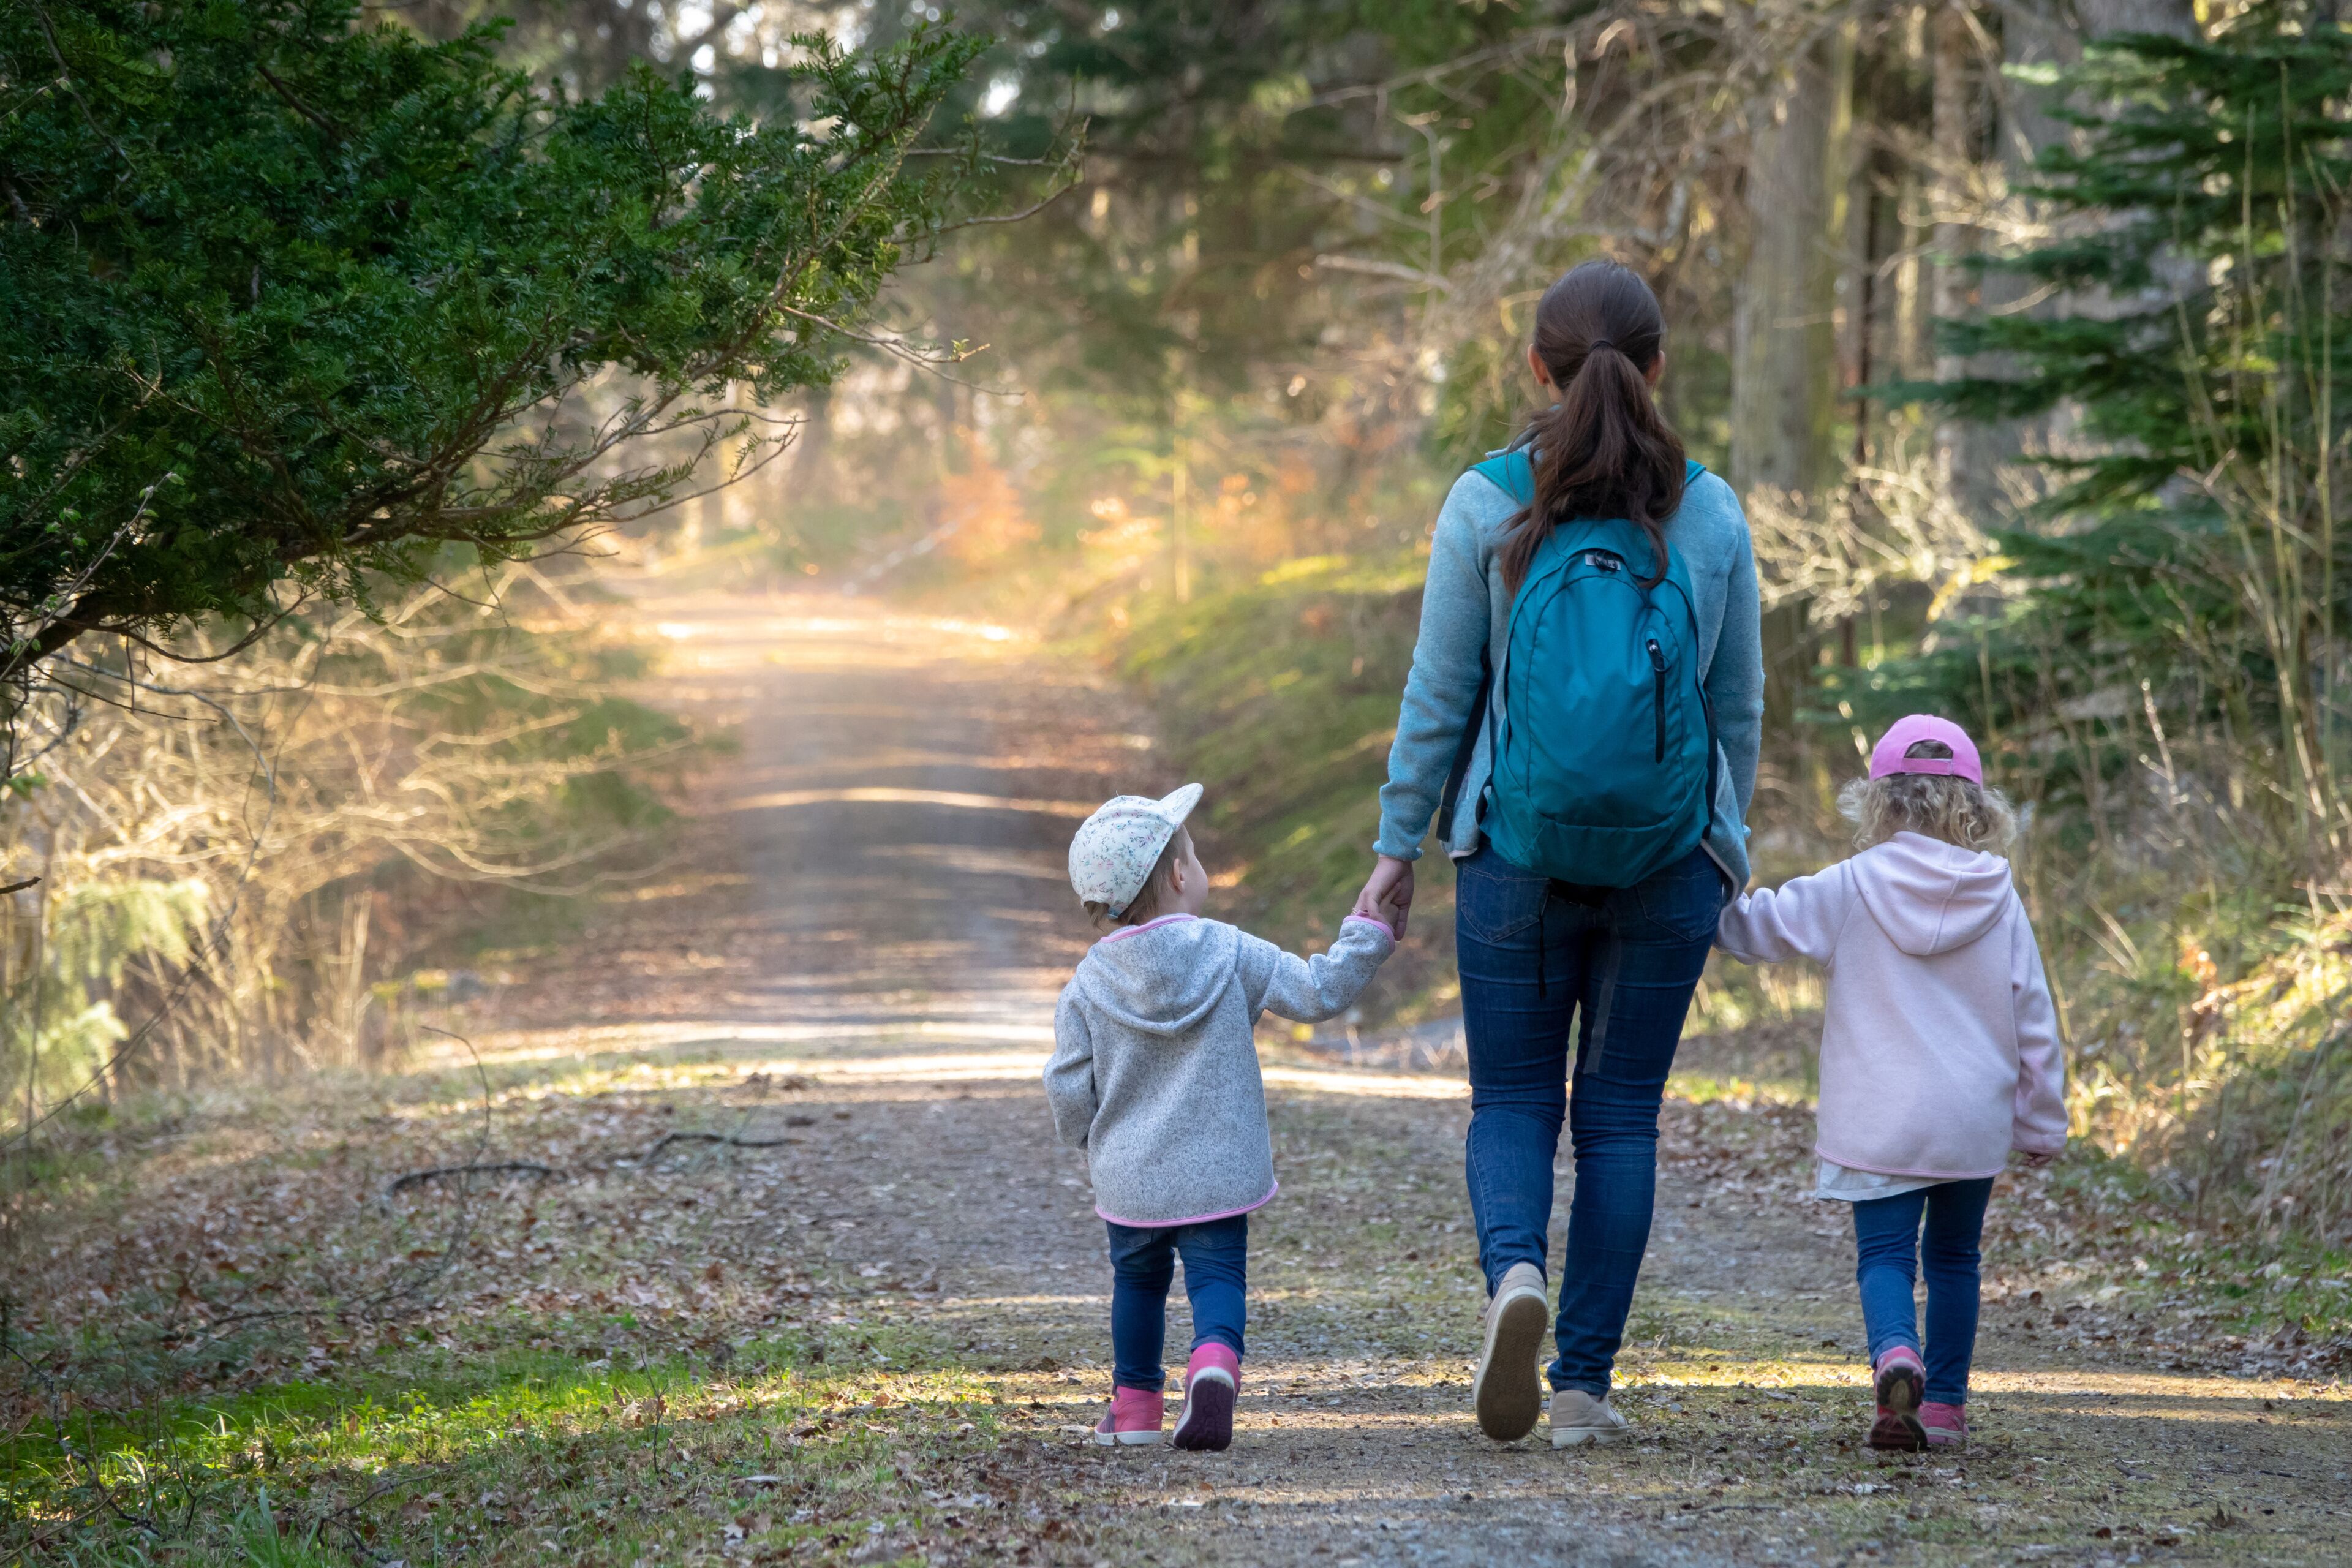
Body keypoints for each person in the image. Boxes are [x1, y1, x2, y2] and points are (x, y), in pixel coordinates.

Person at [1355, 258, 1765, 1447]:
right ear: (1658, 365)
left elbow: (1440, 696)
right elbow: (1733, 710)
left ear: (1536, 364)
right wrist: (1727, 850)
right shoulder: (1715, 510)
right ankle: (1583, 1382)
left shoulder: (1488, 501)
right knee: (1623, 1113)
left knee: (1517, 1099)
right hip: (1668, 859)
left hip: (1513, 853)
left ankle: (1515, 1276)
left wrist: (1399, 844)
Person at [1716, 715, 2067, 1450]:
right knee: (1954, 1260)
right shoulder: (2000, 896)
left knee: (1884, 1258)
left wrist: (1707, 881)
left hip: (1879, 1119)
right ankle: (1943, 1409)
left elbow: (1754, 931)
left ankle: (1895, 1357)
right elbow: (2033, 1012)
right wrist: (2040, 1121)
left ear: (1880, 802)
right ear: (1974, 808)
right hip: (1970, 1120)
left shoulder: (1851, 885)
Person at [1047, 784, 1400, 1450]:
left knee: (1139, 1285)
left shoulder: (1088, 983)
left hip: (1132, 1178)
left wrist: (1088, 1140)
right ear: (1181, 874)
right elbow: (1319, 989)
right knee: (1216, 1280)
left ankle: (1134, 1411)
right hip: (1219, 1171)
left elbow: (1068, 1082)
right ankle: (1213, 1364)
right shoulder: (1232, 951)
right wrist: (1368, 935)